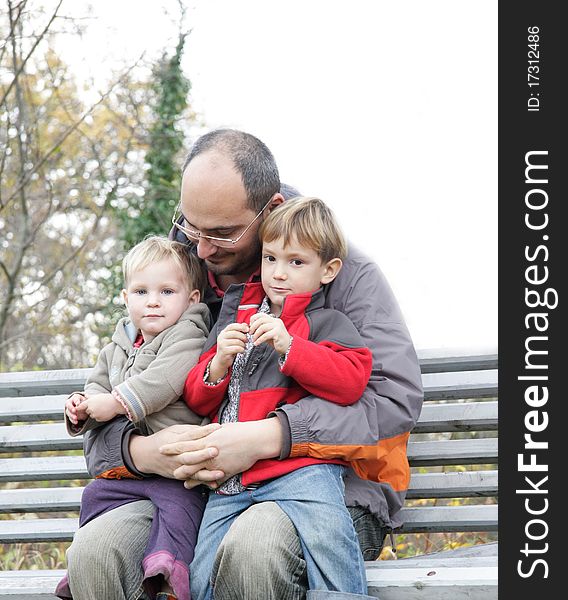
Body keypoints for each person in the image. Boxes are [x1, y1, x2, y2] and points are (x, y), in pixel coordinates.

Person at [65, 129, 424, 600]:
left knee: (254, 548)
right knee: (97, 553)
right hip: (192, 489)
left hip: (331, 488)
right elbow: (120, 386)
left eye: (222, 233)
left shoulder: (342, 274)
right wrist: (142, 452)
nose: (203, 250)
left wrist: (268, 437)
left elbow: (393, 401)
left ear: (270, 208)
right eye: (191, 226)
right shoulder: (173, 274)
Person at [185, 197, 375, 599]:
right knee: (202, 569)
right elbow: (197, 399)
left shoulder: (327, 323)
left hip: (302, 472)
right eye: (271, 259)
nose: (279, 274)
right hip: (231, 481)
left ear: (328, 270)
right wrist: (217, 363)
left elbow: (352, 381)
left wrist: (292, 347)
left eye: (296, 262)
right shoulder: (237, 316)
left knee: (330, 544)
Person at [58, 236, 213, 600]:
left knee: (179, 506)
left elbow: (164, 381)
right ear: (126, 299)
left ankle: (169, 567)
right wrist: (82, 405)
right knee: (95, 493)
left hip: (177, 466)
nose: (153, 301)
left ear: (192, 298)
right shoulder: (117, 347)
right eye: (141, 292)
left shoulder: (187, 333)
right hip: (133, 470)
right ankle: (77, 570)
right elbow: (96, 385)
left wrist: (116, 402)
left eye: (166, 291)